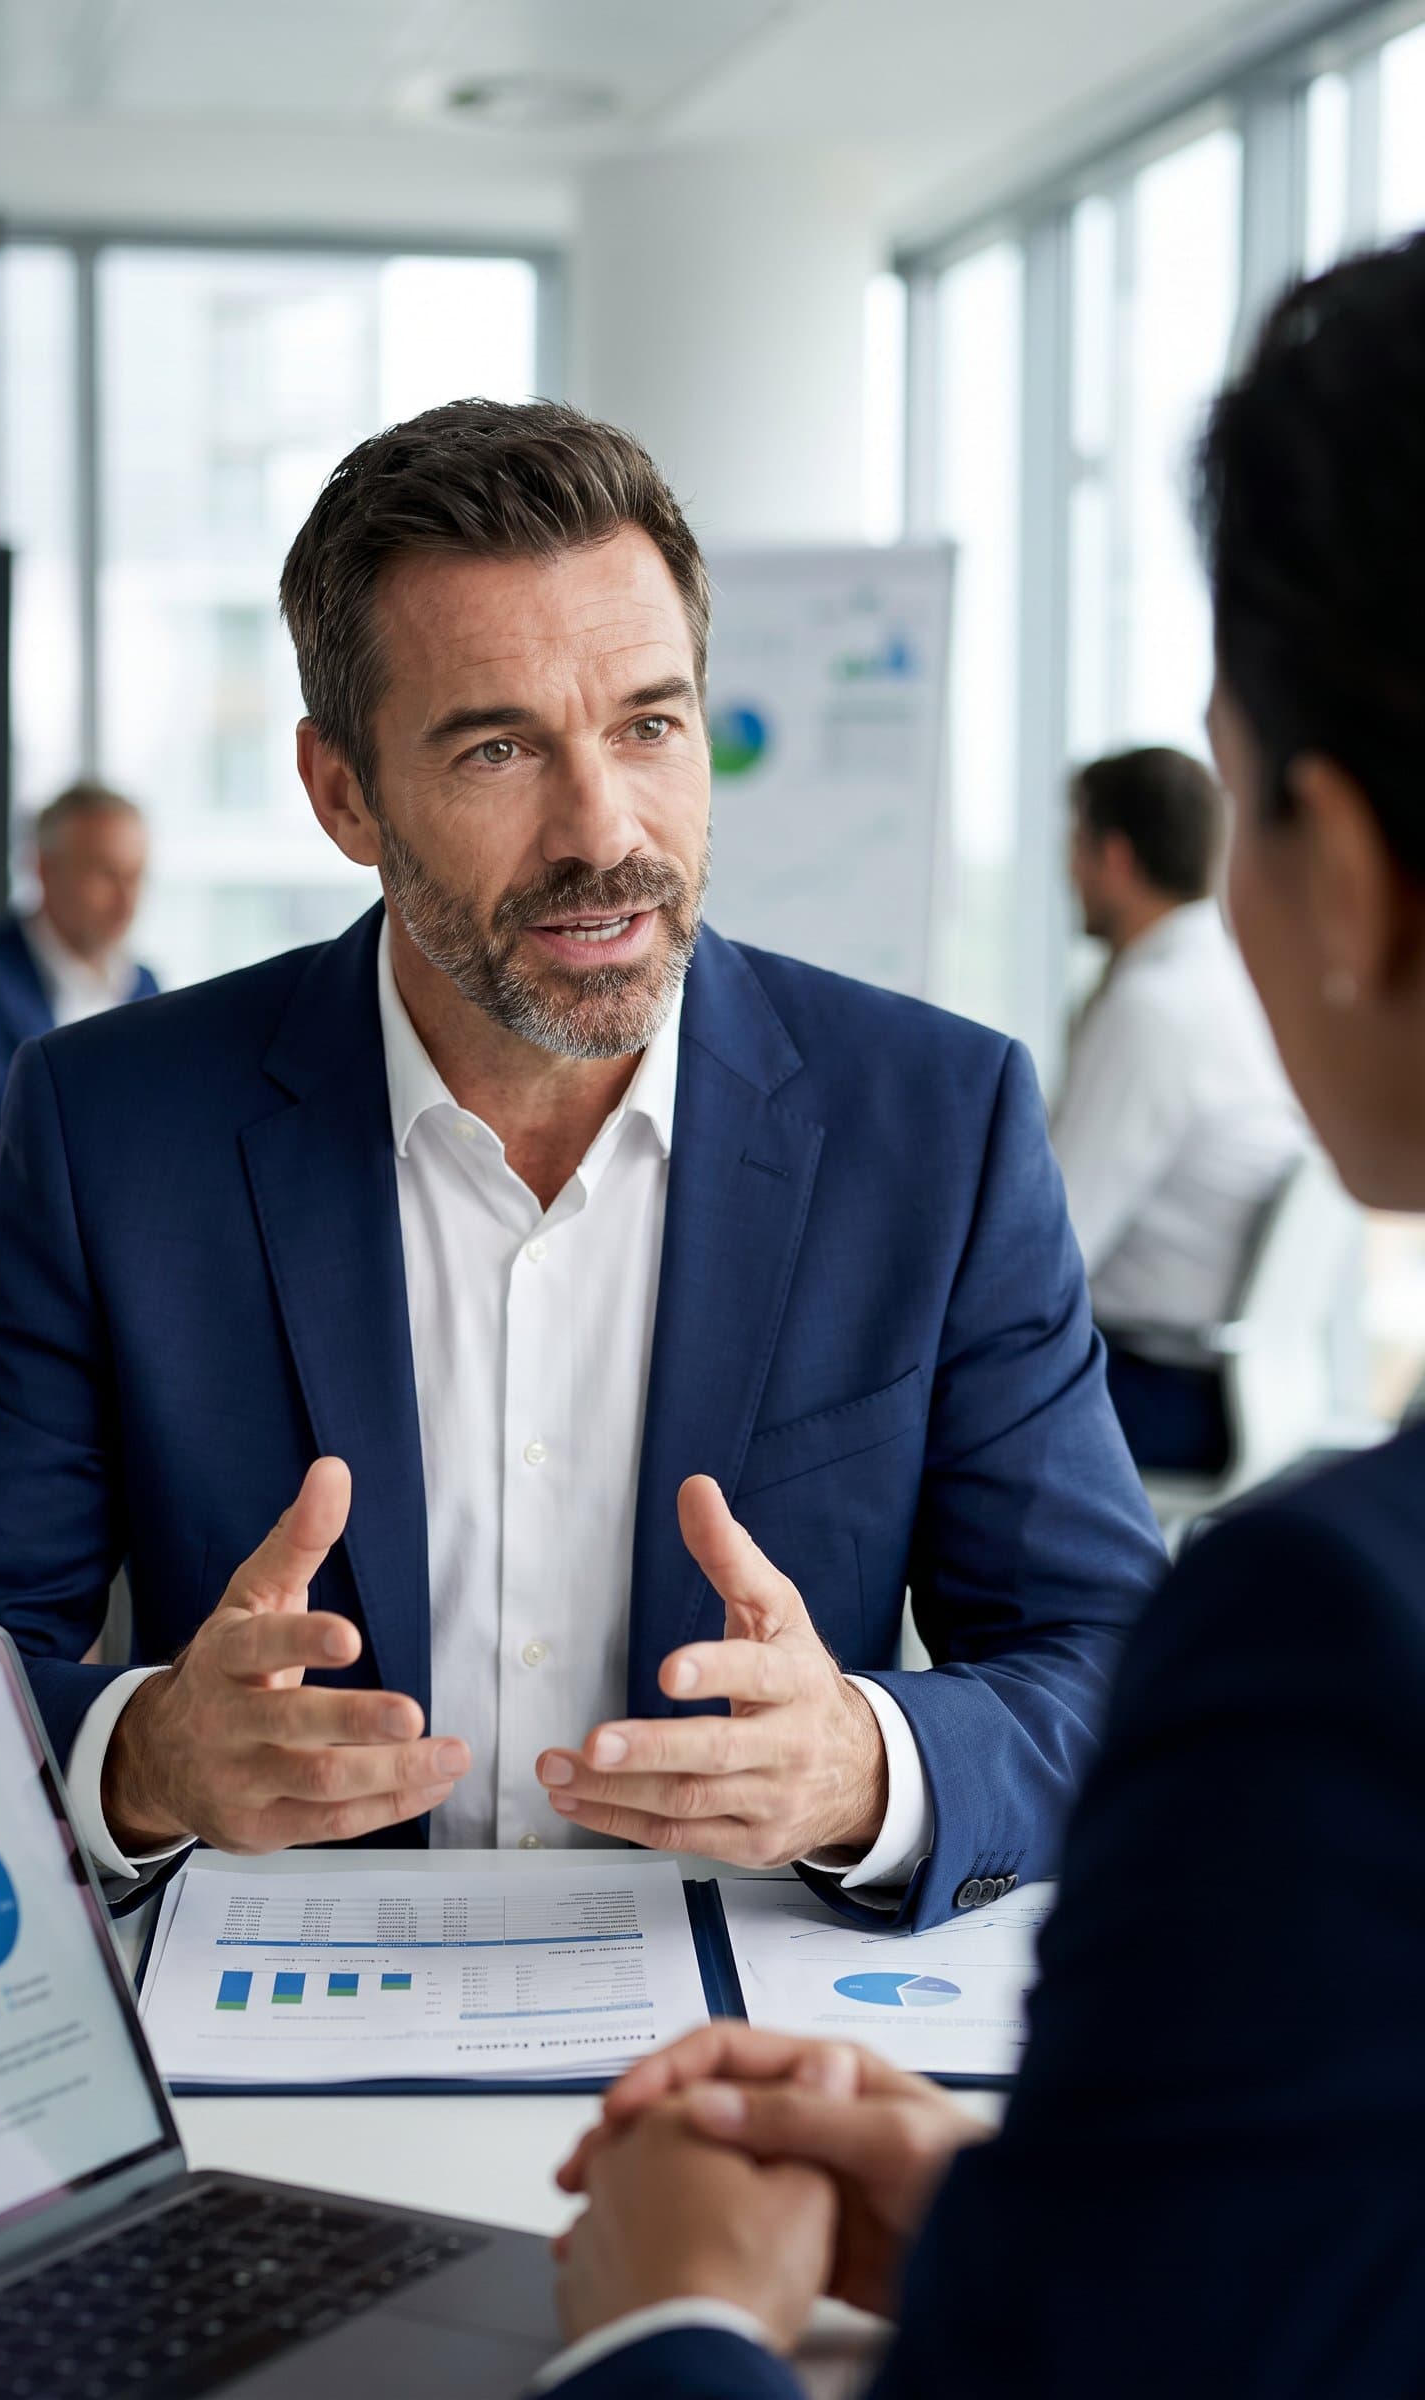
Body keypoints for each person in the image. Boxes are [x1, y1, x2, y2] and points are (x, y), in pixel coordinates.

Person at [0, 399, 1164, 1927]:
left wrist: (869, 1764)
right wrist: (141, 1760)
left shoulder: (938, 1125)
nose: (603, 831)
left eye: (651, 725)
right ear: (342, 795)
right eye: (500, 747)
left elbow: (1117, 1670)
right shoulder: (115, 1131)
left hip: (755, 2062)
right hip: (280, 2056)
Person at [540, 233, 1425, 2400]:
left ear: (1342, 864)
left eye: (654, 723)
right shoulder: (122, 1125)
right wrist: (1028, 2233)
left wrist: (661, 2322)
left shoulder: (1337, 1653)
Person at [1053, 745, 1305, 1471]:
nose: (1069, 873)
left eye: (1077, 847)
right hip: (1223, 1376)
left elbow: (1055, 1244)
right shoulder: (1228, 981)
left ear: (1117, 857)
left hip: (1161, 1384)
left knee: (927, 1406)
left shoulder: (1152, 1011)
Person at [0, 779, 158, 1144]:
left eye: (136, 876)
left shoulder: (145, 987)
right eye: (106, 874)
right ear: (44, 869)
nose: (127, 901)